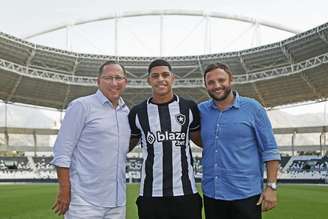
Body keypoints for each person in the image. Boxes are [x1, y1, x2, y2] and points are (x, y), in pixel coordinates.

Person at [198, 62, 280, 219]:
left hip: (246, 195)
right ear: (206, 85)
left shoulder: (253, 108)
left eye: (221, 80)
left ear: (231, 80)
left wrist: (271, 186)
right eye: (211, 82)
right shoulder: (201, 111)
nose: (217, 85)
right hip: (212, 194)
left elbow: (270, 149)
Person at [50, 60, 130, 219]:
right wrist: (64, 190)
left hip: (117, 203)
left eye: (118, 78)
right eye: (108, 78)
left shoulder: (126, 112)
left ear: (125, 82)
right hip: (84, 201)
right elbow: (62, 151)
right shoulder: (82, 106)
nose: (114, 83)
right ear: (98, 81)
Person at [128, 59, 203, 219]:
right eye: (155, 76)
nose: (161, 79)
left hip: (186, 193)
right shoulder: (137, 112)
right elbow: (125, 146)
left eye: (165, 75)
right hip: (150, 195)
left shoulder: (189, 108)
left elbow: (201, 141)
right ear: (149, 80)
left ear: (172, 78)